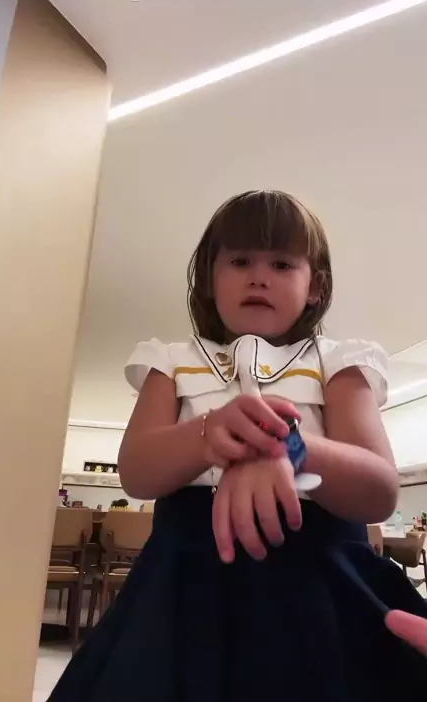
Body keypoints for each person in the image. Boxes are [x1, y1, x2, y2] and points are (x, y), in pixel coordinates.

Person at [47, 190, 427, 701]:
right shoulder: (171, 362)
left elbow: (380, 488)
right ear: (209, 279)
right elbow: (137, 471)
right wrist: (210, 434)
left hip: (321, 588)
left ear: (315, 287)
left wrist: (287, 449)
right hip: (183, 590)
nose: (258, 277)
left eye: (281, 263)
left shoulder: (339, 363)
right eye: (240, 261)